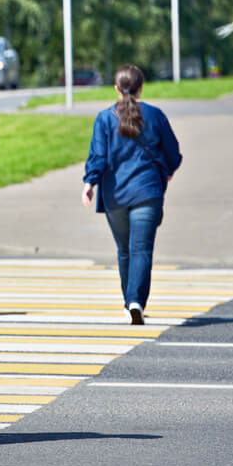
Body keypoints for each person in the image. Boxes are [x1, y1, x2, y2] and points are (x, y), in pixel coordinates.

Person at [81, 64, 182, 325]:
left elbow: (98, 156)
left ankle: (129, 302)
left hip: (115, 194)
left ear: (116, 88)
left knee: (125, 250)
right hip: (148, 192)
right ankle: (136, 301)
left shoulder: (104, 118)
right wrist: (168, 171)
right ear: (141, 87)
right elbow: (173, 151)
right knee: (142, 250)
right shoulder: (155, 115)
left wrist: (89, 184)